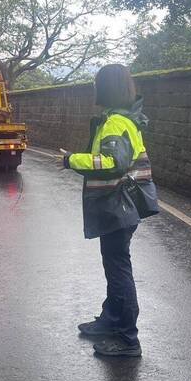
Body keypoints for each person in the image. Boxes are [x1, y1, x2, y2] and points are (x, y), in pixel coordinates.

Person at [58, 64, 159, 357]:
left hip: (118, 205)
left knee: (118, 270)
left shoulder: (116, 122)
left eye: (97, 84)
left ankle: (128, 339)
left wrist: (71, 160)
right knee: (113, 265)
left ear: (107, 88)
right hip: (120, 205)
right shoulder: (123, 119)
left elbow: (111, 162)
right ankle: (111, 320)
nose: (94, 89)